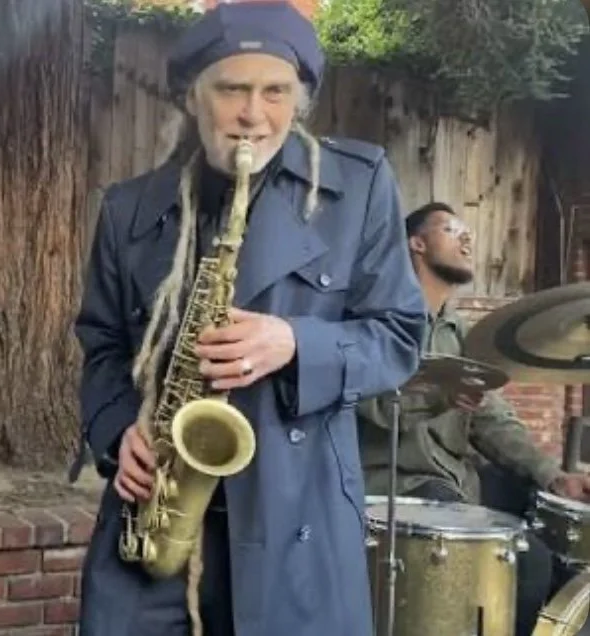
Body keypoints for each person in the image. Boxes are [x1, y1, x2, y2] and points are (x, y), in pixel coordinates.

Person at [70, 2, 426, 635]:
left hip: (298, 528)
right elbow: (102, 346)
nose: (253, 115)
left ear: (300, 101)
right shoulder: (127, 210)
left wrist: (296, 342)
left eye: (275, 92)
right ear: (192, 96)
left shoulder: (361, 185)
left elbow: (399, 335)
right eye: (232, 89)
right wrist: (118, 430)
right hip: (153, 524)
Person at [356, 200, 590, 635]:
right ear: (417, 243)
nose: (467, 236)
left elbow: (493, 419)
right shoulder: (379, 318)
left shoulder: (465, 336)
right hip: (394, 485)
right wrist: (438, 395)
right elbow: (371, 404)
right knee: (527, 564)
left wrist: (553, 476)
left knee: (558, 551)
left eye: (468, 230)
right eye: (450, 228)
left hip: (455, 485)